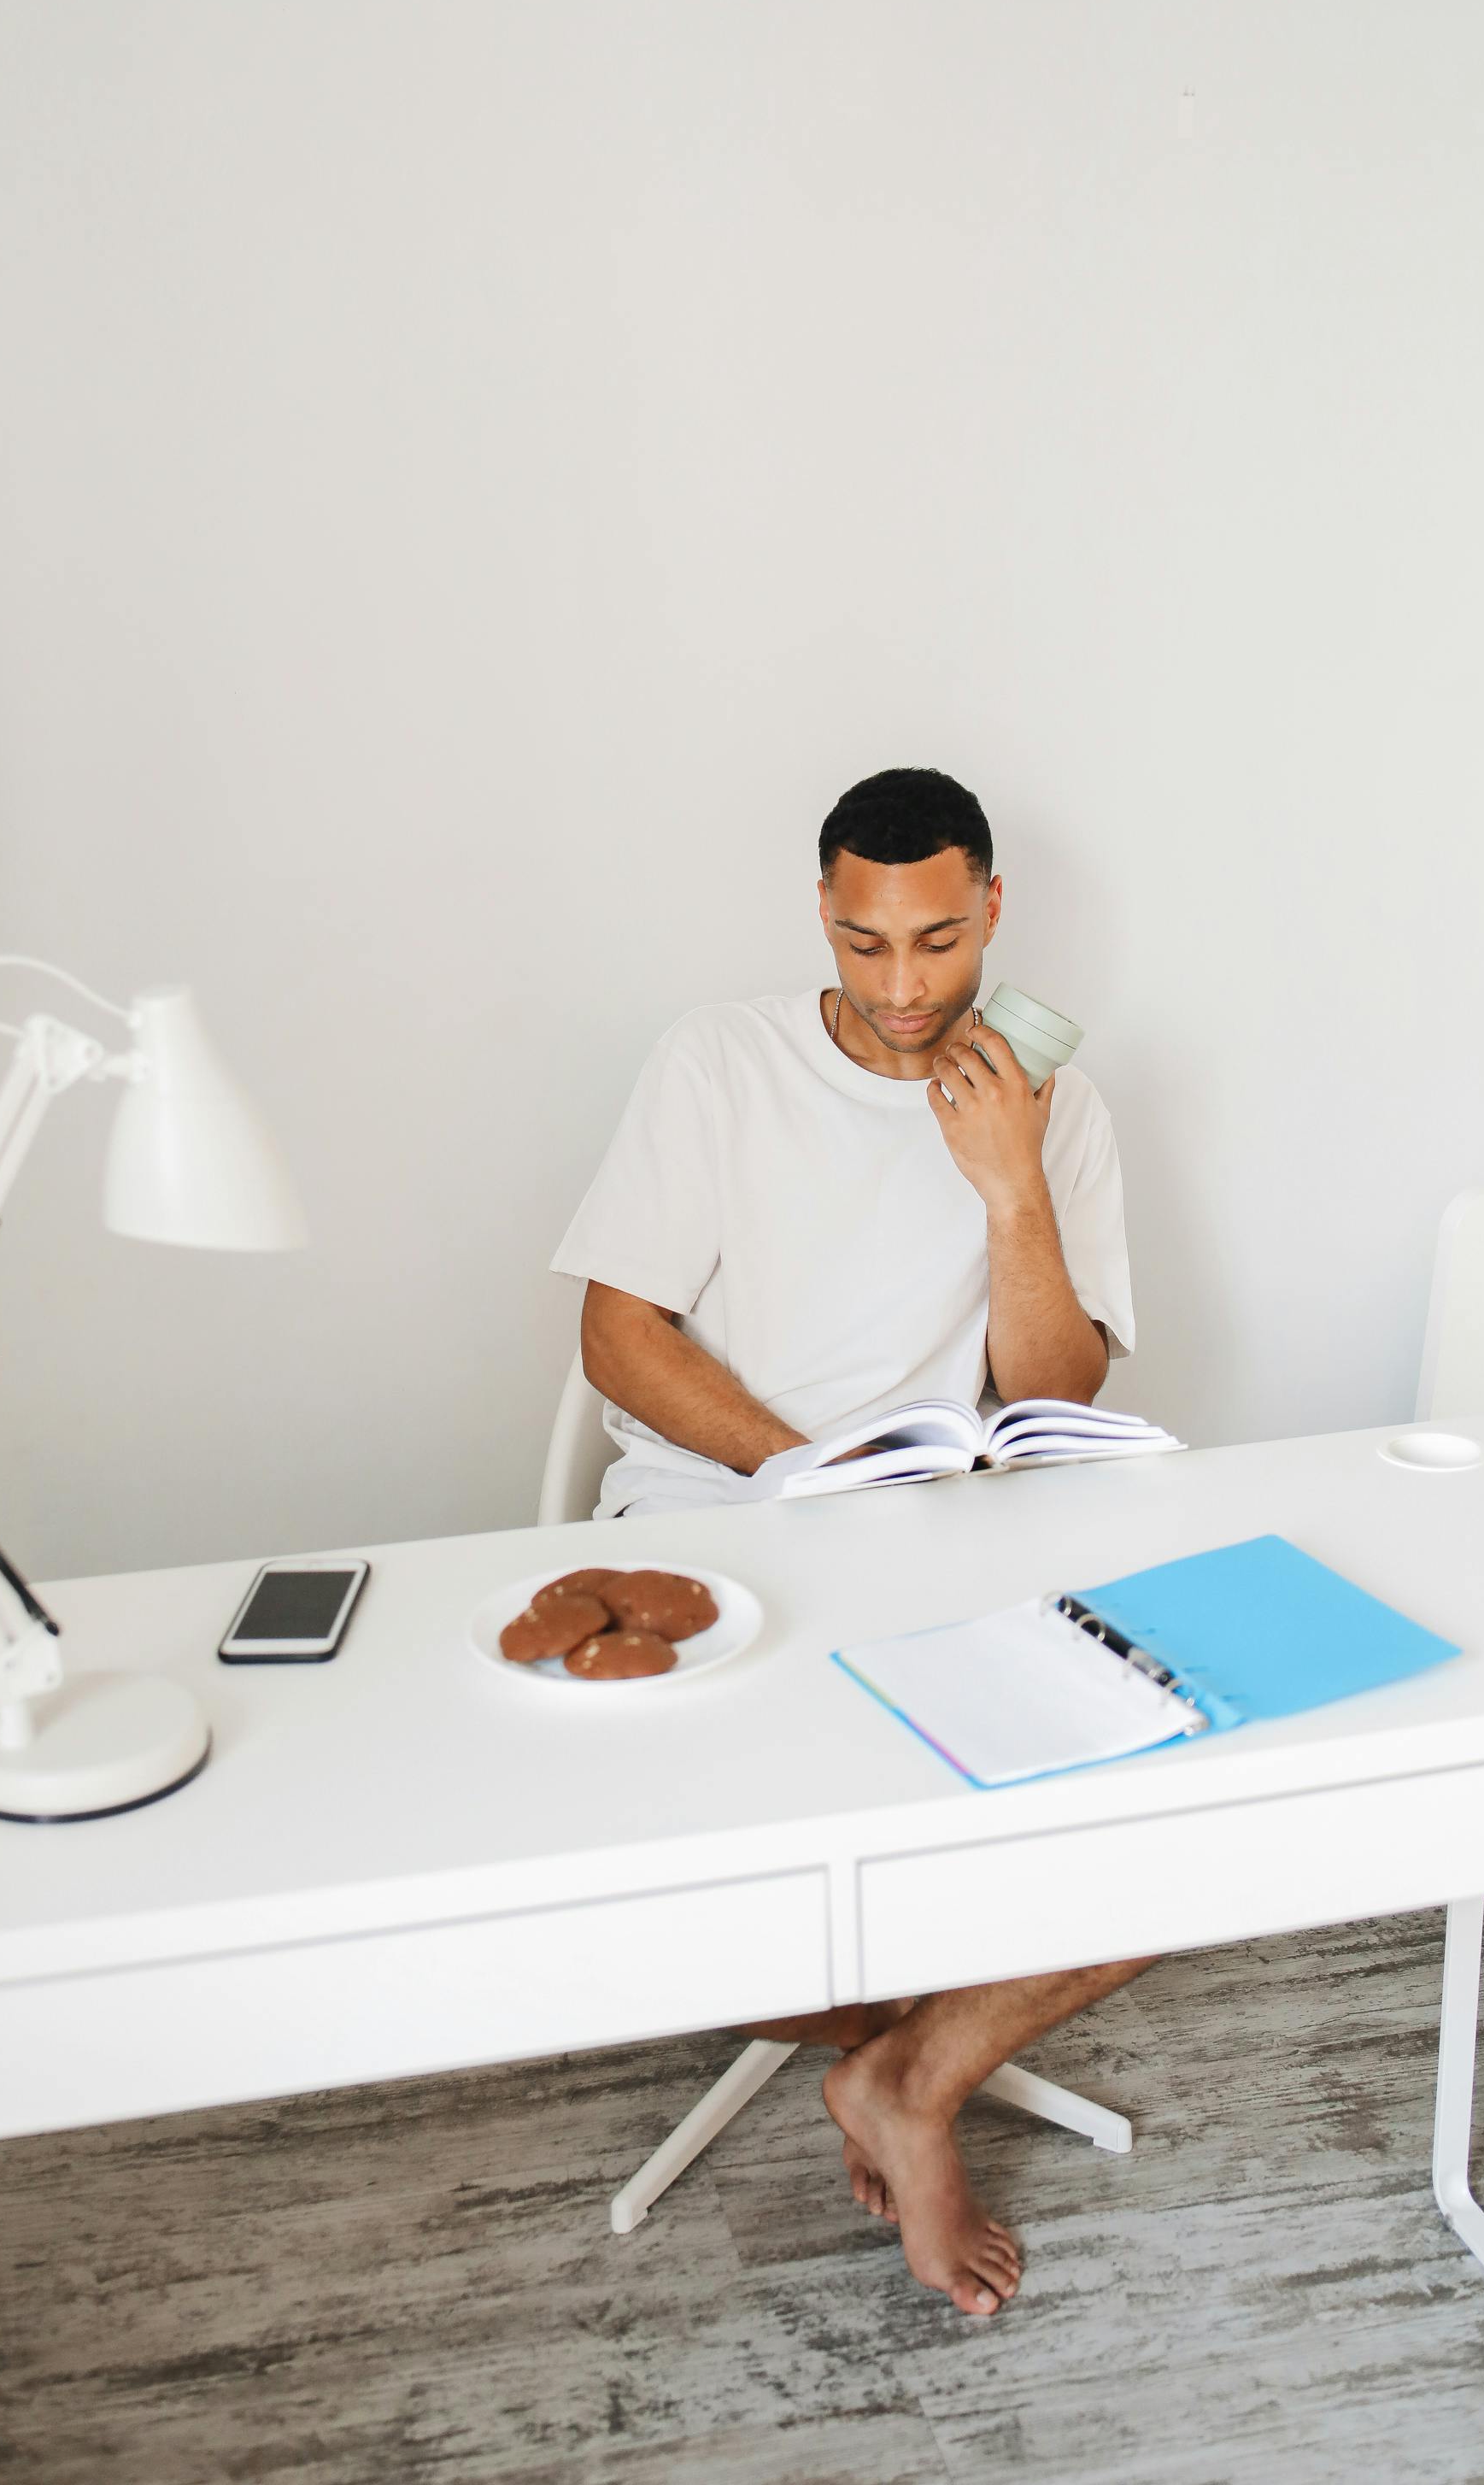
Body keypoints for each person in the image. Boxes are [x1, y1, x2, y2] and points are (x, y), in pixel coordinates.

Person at [551, 767, 1152, 2318]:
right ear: (822, 914)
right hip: (728, 1509)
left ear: (995, 914)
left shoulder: (1054, 1105)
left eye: (940, 944)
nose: (902, 989)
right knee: (663, 1902)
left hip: (953, 1529)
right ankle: (913, 2024)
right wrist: (795, 1467)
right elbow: (617, 1333)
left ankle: (911, 2070)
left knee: (1205, 1813)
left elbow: (1058, 1389)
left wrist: (1012, 1187)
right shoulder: (720, 1064)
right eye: (864, 945)